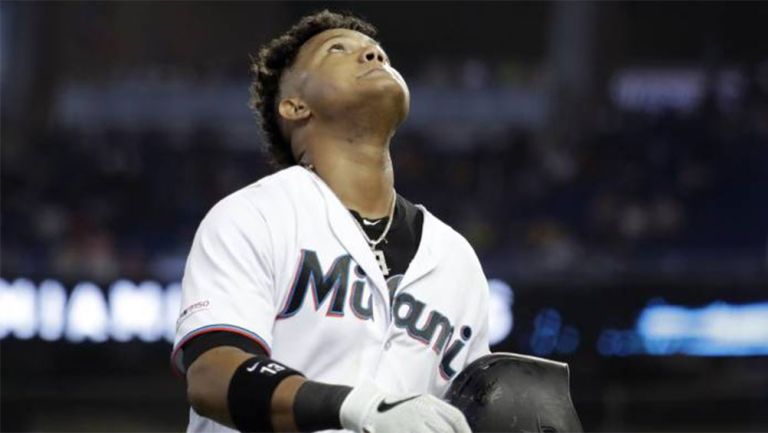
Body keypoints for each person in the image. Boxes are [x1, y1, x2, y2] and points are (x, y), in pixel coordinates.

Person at [172, 10, 490, 433]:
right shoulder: (255, 216)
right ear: (294, 105)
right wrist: (354, 406)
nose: (373, 55)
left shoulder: (456, 261)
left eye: (378, 52)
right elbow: (212, 376)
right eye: (338, 50)